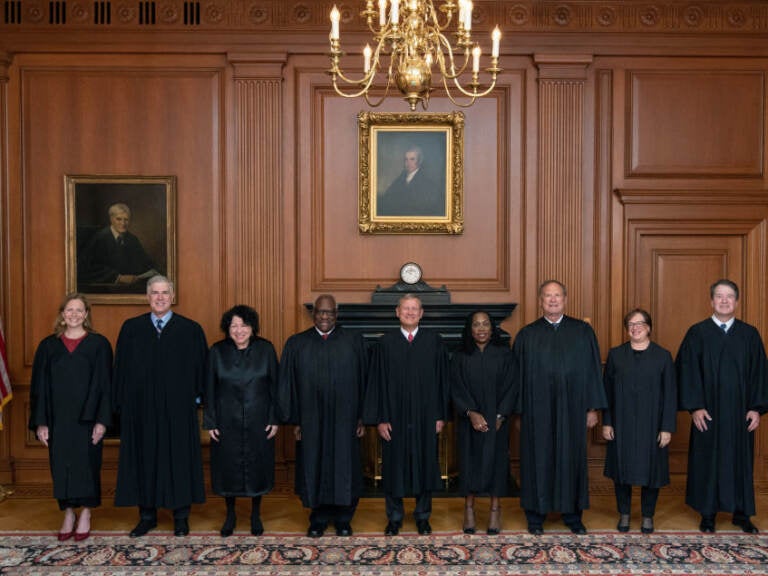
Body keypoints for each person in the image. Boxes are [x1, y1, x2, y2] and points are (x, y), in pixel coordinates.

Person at [113, 275, 208, 537]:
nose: (160, 297)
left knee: (178, 459)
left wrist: (197, 401)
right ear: (147, 297)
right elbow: (120, 370)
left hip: (178, 410)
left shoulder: (191, 330)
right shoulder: (131, 329)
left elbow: (202, 370)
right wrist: (122, 407)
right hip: (141, 411)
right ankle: (147, 516)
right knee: (144, 460)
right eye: (155, 293)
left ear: (173, 296)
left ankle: (181, 516)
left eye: (165, 293)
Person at [512, 280, 606, 535]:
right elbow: (516, 377)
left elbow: (593, 371)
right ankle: (535, 515)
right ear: (540, 300)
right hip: (536, 411)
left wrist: (592, 408)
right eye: (547, 296)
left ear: (565, 299)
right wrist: (519, 412)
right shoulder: (527, 334)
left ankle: (572, 514)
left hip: (573, 408)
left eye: (557, 296)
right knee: (536, 459)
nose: (552, 300)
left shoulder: (582, 331)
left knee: (571, 458)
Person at [676, 279, 768, 533]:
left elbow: (760, 373)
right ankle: (708, 514)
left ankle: (742, 513)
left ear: (737, 302)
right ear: (711, 301)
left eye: (729, 296)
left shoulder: (749, 334)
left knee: (740, 461)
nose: (724, 300)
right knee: (708, 461)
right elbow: (687, 371)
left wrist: (756, 408)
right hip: (708, 414)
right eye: (719, 296)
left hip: (741, 414)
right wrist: (695, 407)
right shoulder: (697, 333)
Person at [279, 294, 367, 538]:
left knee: (344, 466)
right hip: (311, 419)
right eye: (320, 312)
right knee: (313, 464)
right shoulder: (297, 343)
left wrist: (362, 417)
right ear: (313, 313)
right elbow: (289, 384)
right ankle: (317, 519)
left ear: (336, 314)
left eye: (329, 312)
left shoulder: (354, 342)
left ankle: (343, 519)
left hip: (345, 419)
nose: (325, 316)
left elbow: (365, 381)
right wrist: (295, 419)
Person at [28, 293, 112, 542]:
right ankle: (67, 513)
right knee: (61, 466)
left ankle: (85, 512)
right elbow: (39, 386)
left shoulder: (99, 344)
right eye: (69, 310)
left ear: (86, 314)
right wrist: (42, 421)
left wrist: (101, 421)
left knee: (87, 466)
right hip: (58, 419)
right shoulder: (48, 346)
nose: (73, 314)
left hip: (88, 418)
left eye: (79, 310)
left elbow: (105, 386)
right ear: (62, 314)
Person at [363, 294, 449, 536]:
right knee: (393, 466)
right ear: (397, 312)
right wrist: (380, 418)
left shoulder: (434, 342)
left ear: (421, 313)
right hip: (394, 417)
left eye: (415, 309)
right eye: (406, 309)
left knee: (425, 463)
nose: (410, 313)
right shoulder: (385, 344)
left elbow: (444, 381)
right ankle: (395, 517)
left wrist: (440, 415)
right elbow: (376, 384)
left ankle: (423, 516)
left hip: (426, 416)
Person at [204, 305, 280, 537]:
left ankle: (256, 514)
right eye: (233, 326)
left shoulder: (266, 349)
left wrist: (274, 419)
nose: (239, 331)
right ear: (227, 329)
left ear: (252, 328)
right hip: (226, 421)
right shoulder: (216, 351)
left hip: (259, 420)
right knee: (228, 468)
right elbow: (209, 389)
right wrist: (211, 422)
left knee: (258, 467)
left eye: (244, 325)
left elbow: (276, 387)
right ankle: (230, 515)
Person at [602, 309, 676, 534]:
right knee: (621, 472)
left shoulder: (663, 356)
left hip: (652, 424)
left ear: (649, 327)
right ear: (627, 329)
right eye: (631, 324)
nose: (635, 327)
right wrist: (607, 422)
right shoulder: (616, 355)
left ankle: (647, 516)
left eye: (640, 323)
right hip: (621, 423)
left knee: (651, 473)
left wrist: (666, 427)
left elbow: (670, 395)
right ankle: (624, 513)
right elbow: (607, 393)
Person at [450, 310, 518, 535]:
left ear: (492, 328)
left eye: (485, 324)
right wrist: (471, 413)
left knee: (496, 464)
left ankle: (494, 510)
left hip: (497, 420)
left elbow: (512, 386)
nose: (481, 329)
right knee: (469, 463)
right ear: (470, 329)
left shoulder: (504, 354)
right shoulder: (460, 355)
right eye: (476, 325)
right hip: (468, 420)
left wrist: (500, 416)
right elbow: (455, 387)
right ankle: (468, 508)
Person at [77, 202, 160, 290]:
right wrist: (118, 277)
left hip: (129, 288)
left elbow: (144, 262)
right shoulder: (100, 238)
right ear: (111, 219)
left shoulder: (132, 239)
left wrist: (152, 271)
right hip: (105, 289)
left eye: (126, 219)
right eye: (119, 219)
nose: (123, 223)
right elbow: (86, 268)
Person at [377, 145, 445, 217]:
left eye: (412, 159)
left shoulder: (426, 181)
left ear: (419, 161)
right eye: (406, 159)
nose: (408, 163)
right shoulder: (401, 177)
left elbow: (425, 207)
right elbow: (389, 196)